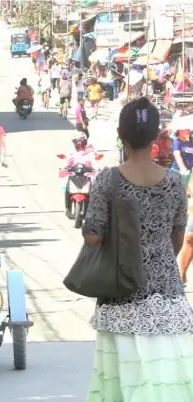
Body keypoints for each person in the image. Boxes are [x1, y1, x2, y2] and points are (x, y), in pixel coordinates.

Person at [83, 97, 193, 401]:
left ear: (121, 134)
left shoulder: (108, 179)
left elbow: (92, 237)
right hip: (167, 297)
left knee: (122, 382)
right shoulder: (173, 181)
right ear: (157, 135)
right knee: (169, 379)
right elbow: (177, 236)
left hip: (120, 294)